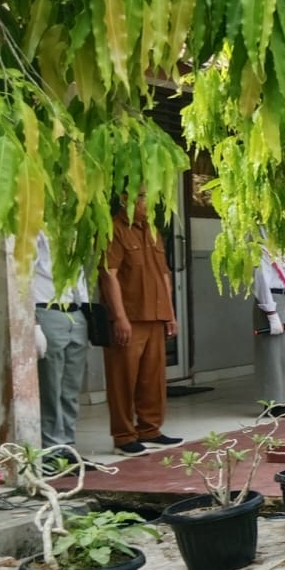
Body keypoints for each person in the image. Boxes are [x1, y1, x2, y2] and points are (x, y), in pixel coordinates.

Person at [100, 195, 181, 455]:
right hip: (130, 318)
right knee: (123, 379)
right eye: (144, 197)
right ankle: (124, 437)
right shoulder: (114, 229)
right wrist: (119, 317)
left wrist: (170, 314)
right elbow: (109, 275)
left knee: (153, 378)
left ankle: (150, 429)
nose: (150, 203)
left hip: (156, 315)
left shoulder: (153, 230)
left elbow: (164, 275)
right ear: (126, 199)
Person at [31, 231, 92, 465]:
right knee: (51, 385)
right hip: (47, 309)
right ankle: (51, 449)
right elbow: (24, 276)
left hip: (75, 311)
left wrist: (86, 310)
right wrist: (33, 322)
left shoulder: (74, 230)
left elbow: (79, 274)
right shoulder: (36, 230)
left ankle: (68, 445)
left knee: (70, 387)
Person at [253, 243, 285, 415]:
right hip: (272, 301)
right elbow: (261, 282)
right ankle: (272, 403)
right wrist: (271, 313)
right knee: (272, 354)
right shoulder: (261, 251)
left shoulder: (284, 250)